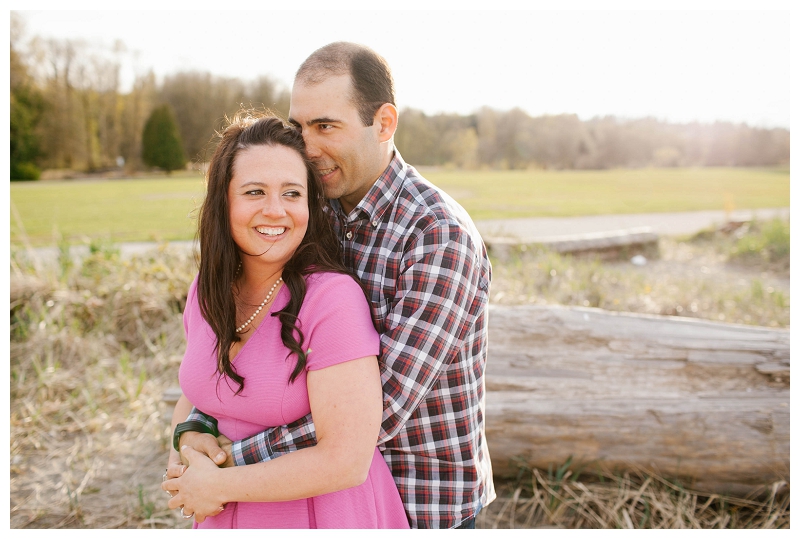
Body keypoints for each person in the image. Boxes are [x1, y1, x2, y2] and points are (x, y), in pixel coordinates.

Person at [166, 42, 495, 529]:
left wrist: (228, 457)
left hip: (422, 498)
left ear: (383, 123)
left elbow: (381, 410)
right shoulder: (310, 212)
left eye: (325, 127)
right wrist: (194, 430)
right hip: (299, 494)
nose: (307, 145)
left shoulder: (437, 235)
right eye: (299, 126)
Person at [162, 112, 409, 529]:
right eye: (255, 191)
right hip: (225, 514)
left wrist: (219, 484)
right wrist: (185, 443)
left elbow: (347, 460)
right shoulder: (208, 287)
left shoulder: (331, 300)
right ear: (224, 200)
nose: (275, 211)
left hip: (323, 516)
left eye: (291, 193)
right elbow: (198, 389)